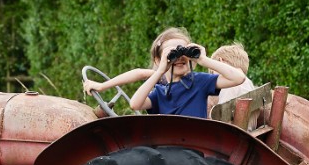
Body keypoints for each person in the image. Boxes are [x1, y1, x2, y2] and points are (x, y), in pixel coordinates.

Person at [83, 27, 245, 117]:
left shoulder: (200, 82)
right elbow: (135, 103)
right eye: (172, 54)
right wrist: (161, 69)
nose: (179, 58)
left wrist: (203, 59)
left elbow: (238, 77)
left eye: (184, 53)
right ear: (158, 59)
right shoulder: (160, 91)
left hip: (194, 145)